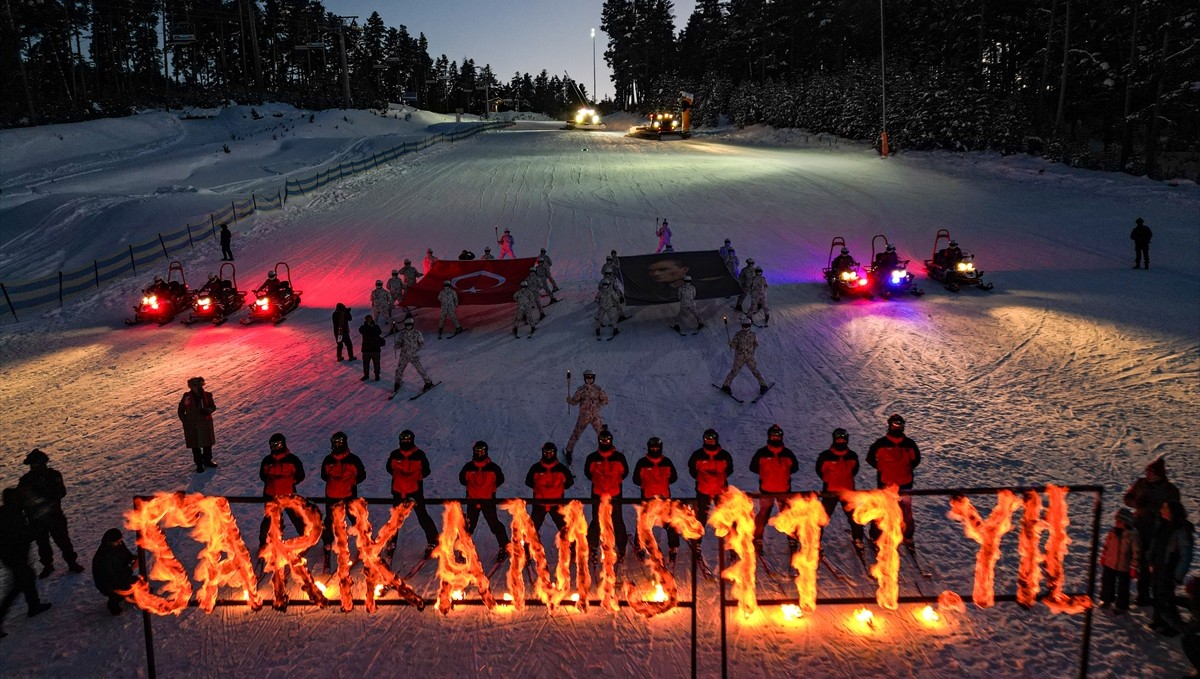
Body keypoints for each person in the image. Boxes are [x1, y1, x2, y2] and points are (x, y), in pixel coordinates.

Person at [17, 450, 84, 578]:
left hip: (54, 516)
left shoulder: (53, 476)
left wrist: (45, 496)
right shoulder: (26, 480)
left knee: (63, 541)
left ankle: (71, 562)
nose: (36, 467)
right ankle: (48, 565)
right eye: (34, 465)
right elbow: (21, 500)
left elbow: (61, 492)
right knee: (43, 544)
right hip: (37, 519)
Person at [1125, 457, 1181, 605]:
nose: (1148, 475)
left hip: (1156, 532)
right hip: (1138, 528)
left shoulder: (1170, 491)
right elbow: (1127, 498)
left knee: (1150, 563)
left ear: (1159, 474)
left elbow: (1174, 512)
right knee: (1133, 559)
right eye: (1147, 471)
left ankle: (1152, 596)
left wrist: (1150, 507)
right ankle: (1139, 594)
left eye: (1151, 472)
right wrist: (1136, 502)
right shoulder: (1140, 484)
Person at [0, 487, 52, 636]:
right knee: (17, 586)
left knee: (26, 578)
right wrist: (36, 528)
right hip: (15, 555)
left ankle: (34, 605)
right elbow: (22, 535)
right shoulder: (13, 514)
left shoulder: (6, 512)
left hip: (12, 555)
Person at [865, 414, 921, 545]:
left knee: (906, 511)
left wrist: (906, 468)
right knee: (882, 509)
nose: (896, 427)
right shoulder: (880, 443)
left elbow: (916, 459)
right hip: (886, 483)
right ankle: (875, 535)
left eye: (899, 425)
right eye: (894, 425)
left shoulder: (909, 444)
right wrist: (882, 468)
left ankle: (908, 535)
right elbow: (870, 458)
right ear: (889, 426)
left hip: (905, 483)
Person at [386, 430, 440, 562]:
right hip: (399, 491)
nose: (405, 442)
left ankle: (433, 540)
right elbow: (389, 468)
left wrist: (414, 479)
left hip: (415, 491)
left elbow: (426, 470)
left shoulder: (419, 455)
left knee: (422, 516)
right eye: (403, 439)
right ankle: (391, 542)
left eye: (407, 439)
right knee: (395, 519)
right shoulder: (395, 454)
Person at [749, 424, 800, 554]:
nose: (775, 438)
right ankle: (757, 538)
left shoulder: (787, 453)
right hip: (767, 490)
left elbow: (794, 467)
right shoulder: (762, 453)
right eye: (773, 436)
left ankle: (792, 538)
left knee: (787, 514)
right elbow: (753, 467)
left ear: (781, 437)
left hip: (784, 490)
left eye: (777, 436)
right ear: (769, 437)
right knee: (763, 514)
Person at [320, 431, 366, 572]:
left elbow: (362, 475)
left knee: (356, 520)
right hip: (333, 496)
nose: (337, 445)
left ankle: (364, 544)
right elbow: (324, 475)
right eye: (336, 442)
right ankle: (327, 544)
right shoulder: (329, 460)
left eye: (340, 442)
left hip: (348, 496)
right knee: (329, 521)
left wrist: (351, 483)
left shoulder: (353, 460)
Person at [584, 428, 630, 566]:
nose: (605, 442)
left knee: (617, 520)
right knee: (597, 520)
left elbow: (625, 472)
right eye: (603, 440)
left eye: (607, 440)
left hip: (615, 494)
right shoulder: (592, 457)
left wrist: (613, 482)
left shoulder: (619, 457)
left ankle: (621, 547)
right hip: (598, 493)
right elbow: (588, 473)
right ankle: (592, 545)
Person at [459, 441, 510, 562]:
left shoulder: (493, 468)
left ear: (486, 451)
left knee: (494, 524)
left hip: (488, 501)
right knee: (469, 527)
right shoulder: (468, 467)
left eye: (482, 451)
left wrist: (490, 490)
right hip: (473, 501)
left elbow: (500, 479)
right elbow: (462, 479)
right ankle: (463, 549)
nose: (480, 453)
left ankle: (505, 546)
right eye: (478, 451)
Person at [632, 436, 680, 564]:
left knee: (671, 523)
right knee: (643, 524)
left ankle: (673, 547)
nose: (654, 449)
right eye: (652, 447)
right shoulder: (642, 463)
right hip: (648, 500)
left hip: (664, 500)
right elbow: (635, 479)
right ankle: (640, 545)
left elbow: (674, 477)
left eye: (656, 447)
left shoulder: (667, 462)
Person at [1148, 501, 1194, 636]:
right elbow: (1156, 545)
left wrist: (1177, 576)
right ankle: (1159, 621)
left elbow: (1186, 555)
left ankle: (1173, 626)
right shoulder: (1162, 525)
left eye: (1165, 508)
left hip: (1169, 569)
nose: (1162, 510)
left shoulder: (1181, 530)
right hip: (1159, 566)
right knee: (1157, 594)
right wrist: (1151, 561)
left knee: (1166, 598)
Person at [256, 433, 307, 552]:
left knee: (296, 516)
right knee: (269, 519)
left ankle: (305, 536)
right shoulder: (267, 460)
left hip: (287, 494)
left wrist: (290, 482)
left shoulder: (292, 460)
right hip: (271, 494)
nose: (276, 447)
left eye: (278, 445)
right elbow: (262, 475)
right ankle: (263, 542)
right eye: (273, 445)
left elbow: (300, 475)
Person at [815, 428, 865, 548]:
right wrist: (828, 480)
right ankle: (816, 540)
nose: (840, 441)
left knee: (854, 516)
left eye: (843, 439)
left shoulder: (852, 455)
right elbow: (819, 470)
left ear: (846, 440)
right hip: (830, 492)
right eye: (838, 439)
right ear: (834, 440)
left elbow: (854, 470)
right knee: (823, 516)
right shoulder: (825, 456)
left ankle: (858, 538)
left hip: (848, 492)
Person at [687, 428, 734, 550]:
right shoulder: (697, 455)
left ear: (716, 440)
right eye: (707, 440)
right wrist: (702, 479)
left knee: (726, 517)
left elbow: (730, 469)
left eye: (712, 440)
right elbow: (692, 469)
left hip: (721, 492)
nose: (710, 442)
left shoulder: (724, 455)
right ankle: (697, 543)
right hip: (703, 491)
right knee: (701, 518)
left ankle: (733, 543)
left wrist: (720, 480)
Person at [525, 442, 574, 537]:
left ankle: (570, 549)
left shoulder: (561, 469)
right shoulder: (536, 468)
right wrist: (539, 490)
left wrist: (558, 490)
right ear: (542, 453)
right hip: (539, 504)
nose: (548, 455)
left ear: (554, 453)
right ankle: (530, 549)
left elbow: (569, 482)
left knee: (564, 528)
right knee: (532, 529)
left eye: (551, 453)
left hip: (556, 503)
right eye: (546, 453)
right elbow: (528, 482)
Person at [1099, 507, 1140, 614]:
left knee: (1123, 586)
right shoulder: (1112, 532)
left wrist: (1134, 567)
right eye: (1116, 520)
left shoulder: (1132, 535)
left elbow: (1137, 552)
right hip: (1110, 562)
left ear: (1126, 522)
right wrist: (1104, 557)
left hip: (1124, 565)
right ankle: (1107, 599)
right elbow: (1107, 545)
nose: (1116, 523)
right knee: (1108, 582)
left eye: (1119, 521)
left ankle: (1121, 605)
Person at [566, 369, 609, 463]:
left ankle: (607, 451)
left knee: (602, 435)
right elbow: (575, 401)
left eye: (591, 377)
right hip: (583, 417)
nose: (589, 380)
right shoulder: (581, 390)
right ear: (584, 378)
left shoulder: (598, 389)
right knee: (576, 434)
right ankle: (569, 451)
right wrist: (570, 400)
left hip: (595, 417)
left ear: (594, 378)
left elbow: (605, 400)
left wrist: (603, 401)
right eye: (587, 378)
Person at [720, 317, 770, 395]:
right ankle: (763, 385)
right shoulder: (753, 335)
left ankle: (726, 385)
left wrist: (730, 344)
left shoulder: (739, 335)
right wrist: (751, 350)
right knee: (754, 370)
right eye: (745, 325)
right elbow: (756, 344)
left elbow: (733, 346)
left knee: (735, 372)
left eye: (746, 325)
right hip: (748, 357)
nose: (746, 327)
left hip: (740, 357)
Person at [91, 528, 136, 615]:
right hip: (108, 583)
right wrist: (132, 568)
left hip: (122, 576)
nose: (120, 543)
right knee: (120, 590)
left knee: (140, 584)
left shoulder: (119, 545)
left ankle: (131, 593)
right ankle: (113, 604)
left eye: (120, 541)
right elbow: (115, 576)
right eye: (117, 542)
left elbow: (127, 556)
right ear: (109, 542)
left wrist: (133, 559)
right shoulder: (103, 556)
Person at [178, 376, 217, 473]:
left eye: (197, 385)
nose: (195, 387)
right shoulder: (186, 397)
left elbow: (212, 406)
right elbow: (181, 410)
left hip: (205, 423)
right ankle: (199, 464)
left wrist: (208, 410)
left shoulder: (207, 395)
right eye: (193, 386)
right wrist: (185, 421)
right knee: (195, 446)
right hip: (192, 425)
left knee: (207, 444)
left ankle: (207, 461)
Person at [392, 317, 435, 396]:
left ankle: (428, 382)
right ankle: (397, 382)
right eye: (407, 325)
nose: (408, 326)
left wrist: (416, 349)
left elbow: (421, 343)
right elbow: (399, 343)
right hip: (404, 355)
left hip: (413, 355)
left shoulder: (417, 333)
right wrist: (397, 346)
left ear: (412, 325)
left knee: (420, 369)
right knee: (399, 370)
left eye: (410, 325)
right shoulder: (402, 334)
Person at [358, 314, 384, 381]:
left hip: (374, 349)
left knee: (376, 363)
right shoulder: (363, 327)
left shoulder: (376, 327)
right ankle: (366, 375)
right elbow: (361, 330)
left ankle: (377, 375)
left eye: (370, 319)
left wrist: (372, 327)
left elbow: (379, 332)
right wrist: (370, 328)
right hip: (367, 349)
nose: (369, 321)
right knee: (366, 363)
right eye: (368, 319)